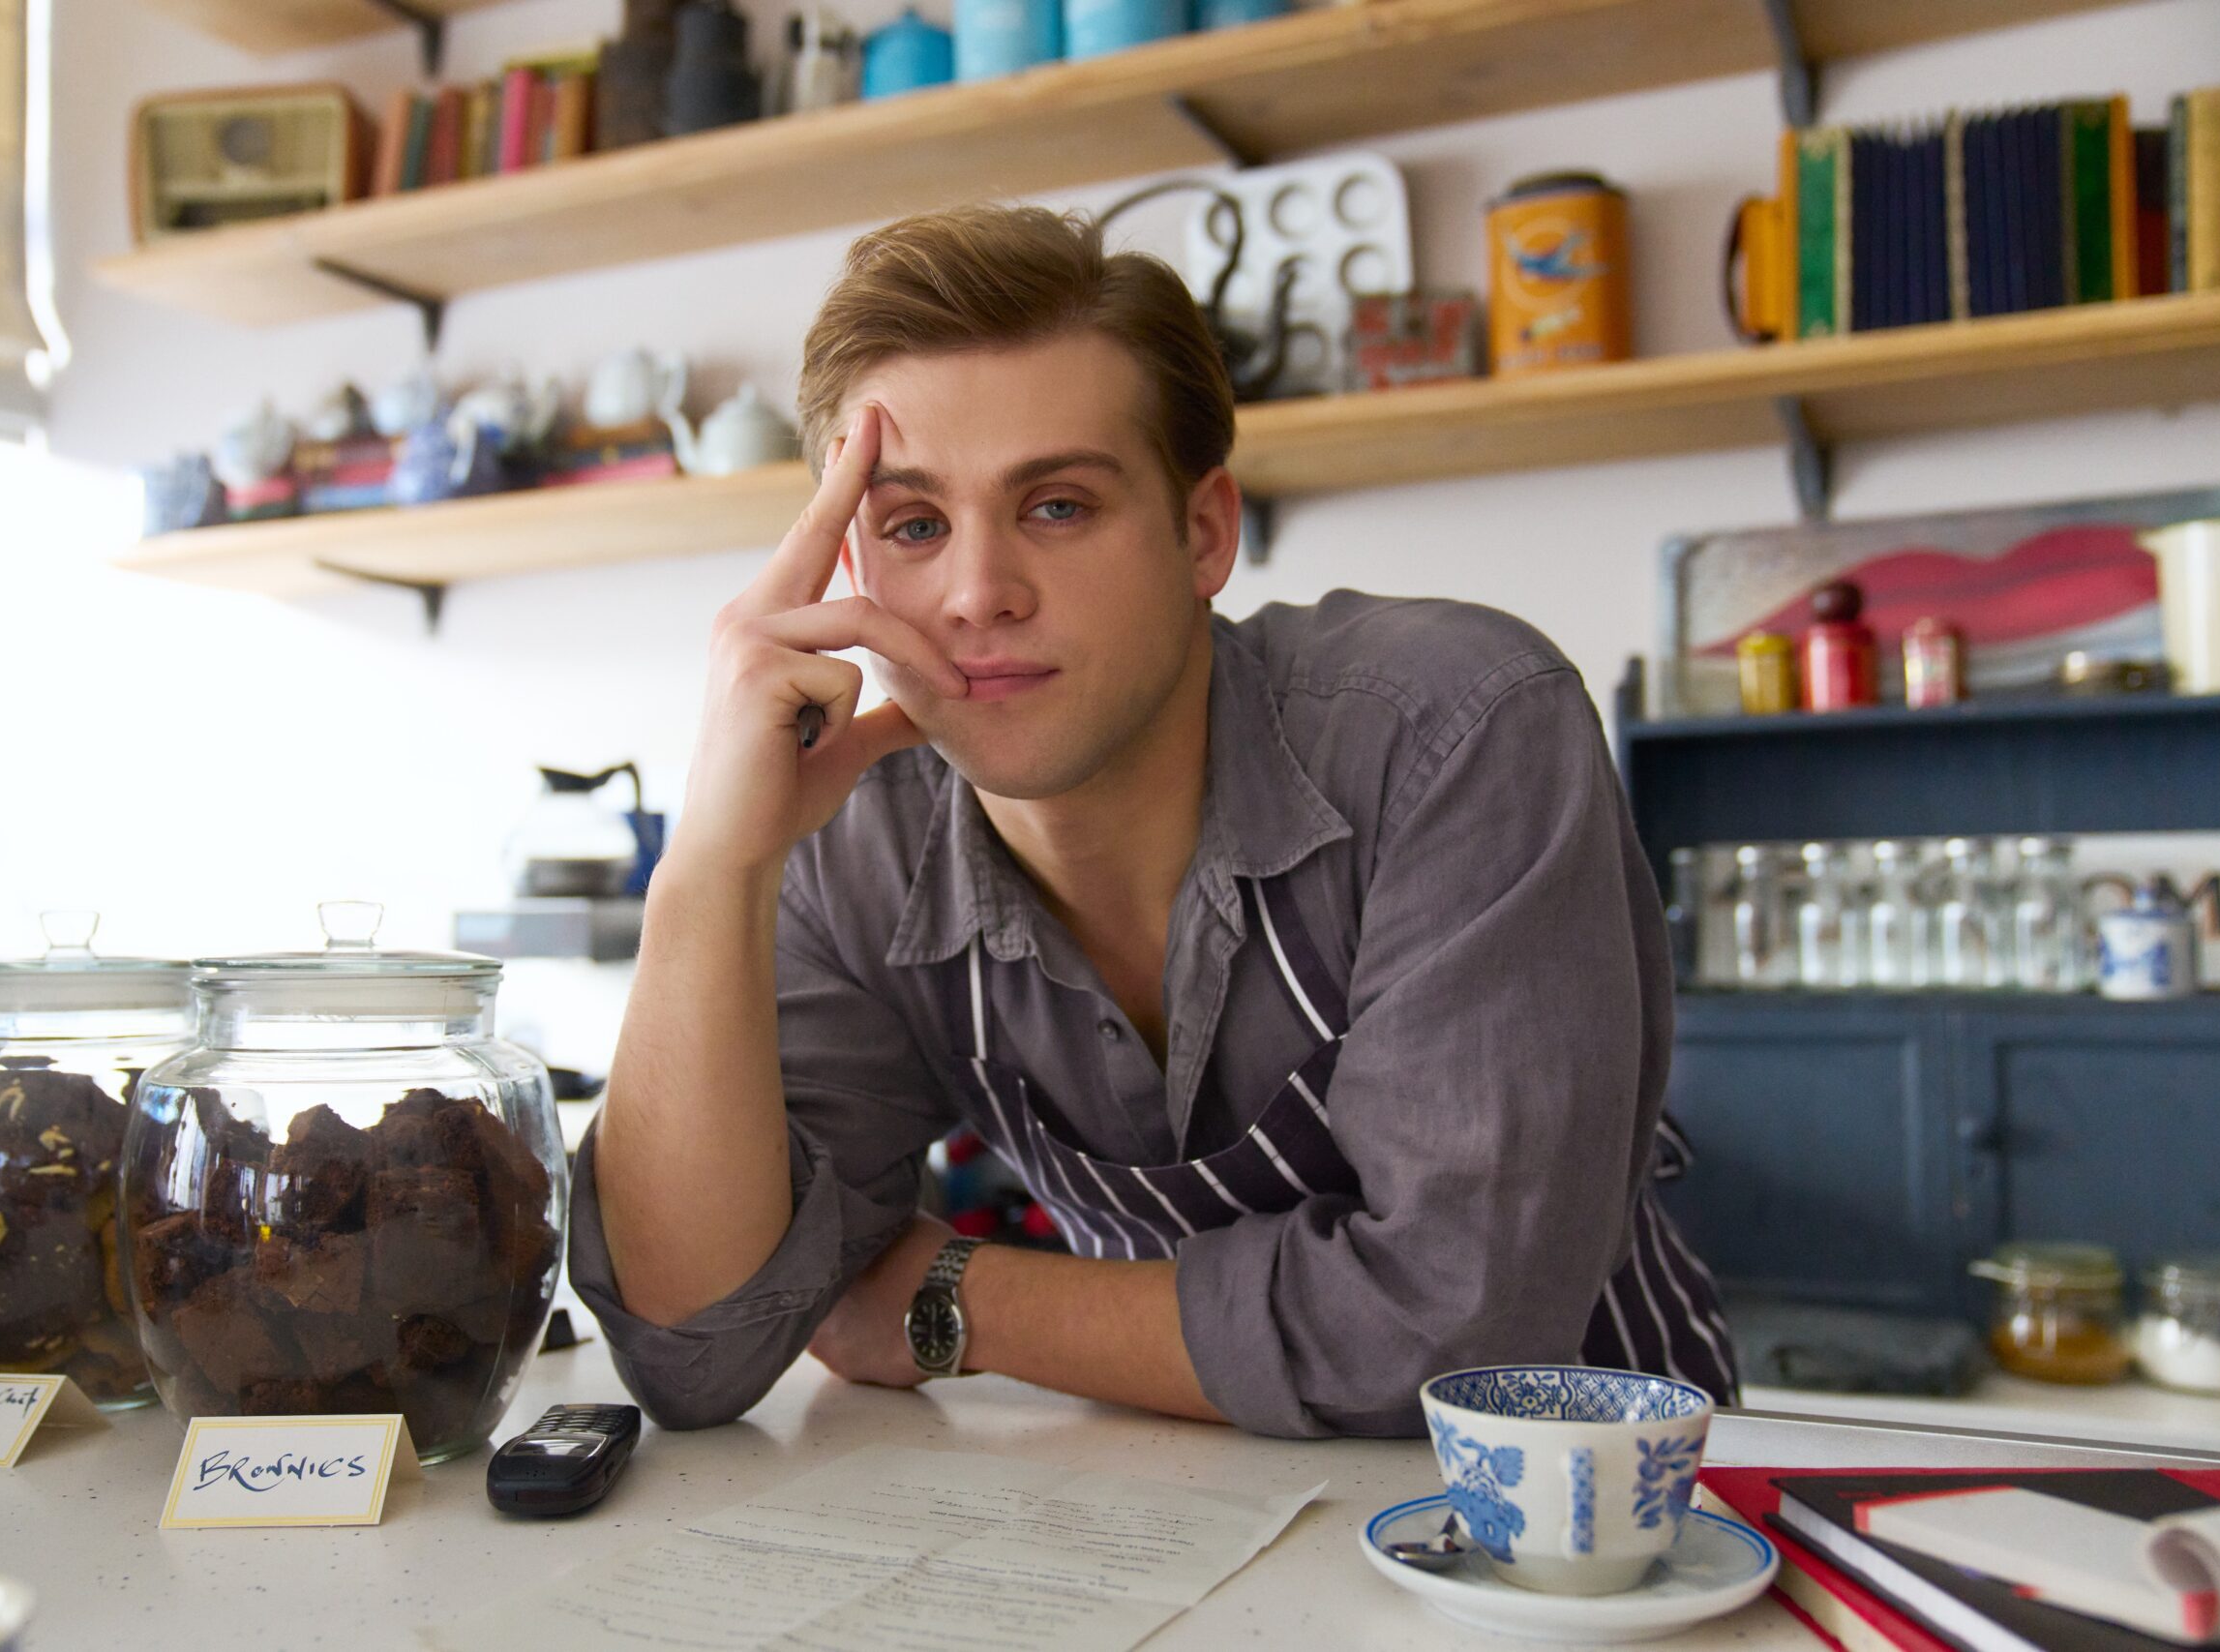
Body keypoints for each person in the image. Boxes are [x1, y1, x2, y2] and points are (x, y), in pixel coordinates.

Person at [564, 202, 1736, 1438]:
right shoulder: (850, 837)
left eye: (1058, 506)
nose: (979, 594)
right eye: (913, 525)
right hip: (1165, 1498)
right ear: (853, 572)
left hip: (1606, 1528)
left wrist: (950, 1298)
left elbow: (1457, 1334)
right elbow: (696, 1347)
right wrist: (709, 869)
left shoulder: (1452, 729)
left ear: (1202, 531)